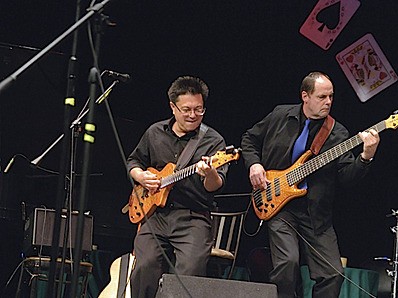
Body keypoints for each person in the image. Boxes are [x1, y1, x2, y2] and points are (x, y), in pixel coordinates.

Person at [240, 71, 380, 298]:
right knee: (287, 264)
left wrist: (365, 157)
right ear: (305, 96)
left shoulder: (338, 132)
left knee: (333, 274)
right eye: (322, 97)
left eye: (331, 97)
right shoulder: (280, 115)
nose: (328, 102)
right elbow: (249, 139)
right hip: (279, 206)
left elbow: (346, 177)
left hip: (316, 213)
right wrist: (254, 165)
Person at [127, 76, 228, 298]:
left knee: (189, 274)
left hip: (193, 218)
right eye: (186, 109)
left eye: (199, 110)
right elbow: (133, 161)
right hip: (156, 215)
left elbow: (215, 186)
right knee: (144, 268)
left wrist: (209, 172)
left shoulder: (213, 140)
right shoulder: (155, 132)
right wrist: (141, 176)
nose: (193, 115)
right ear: (173, 107)